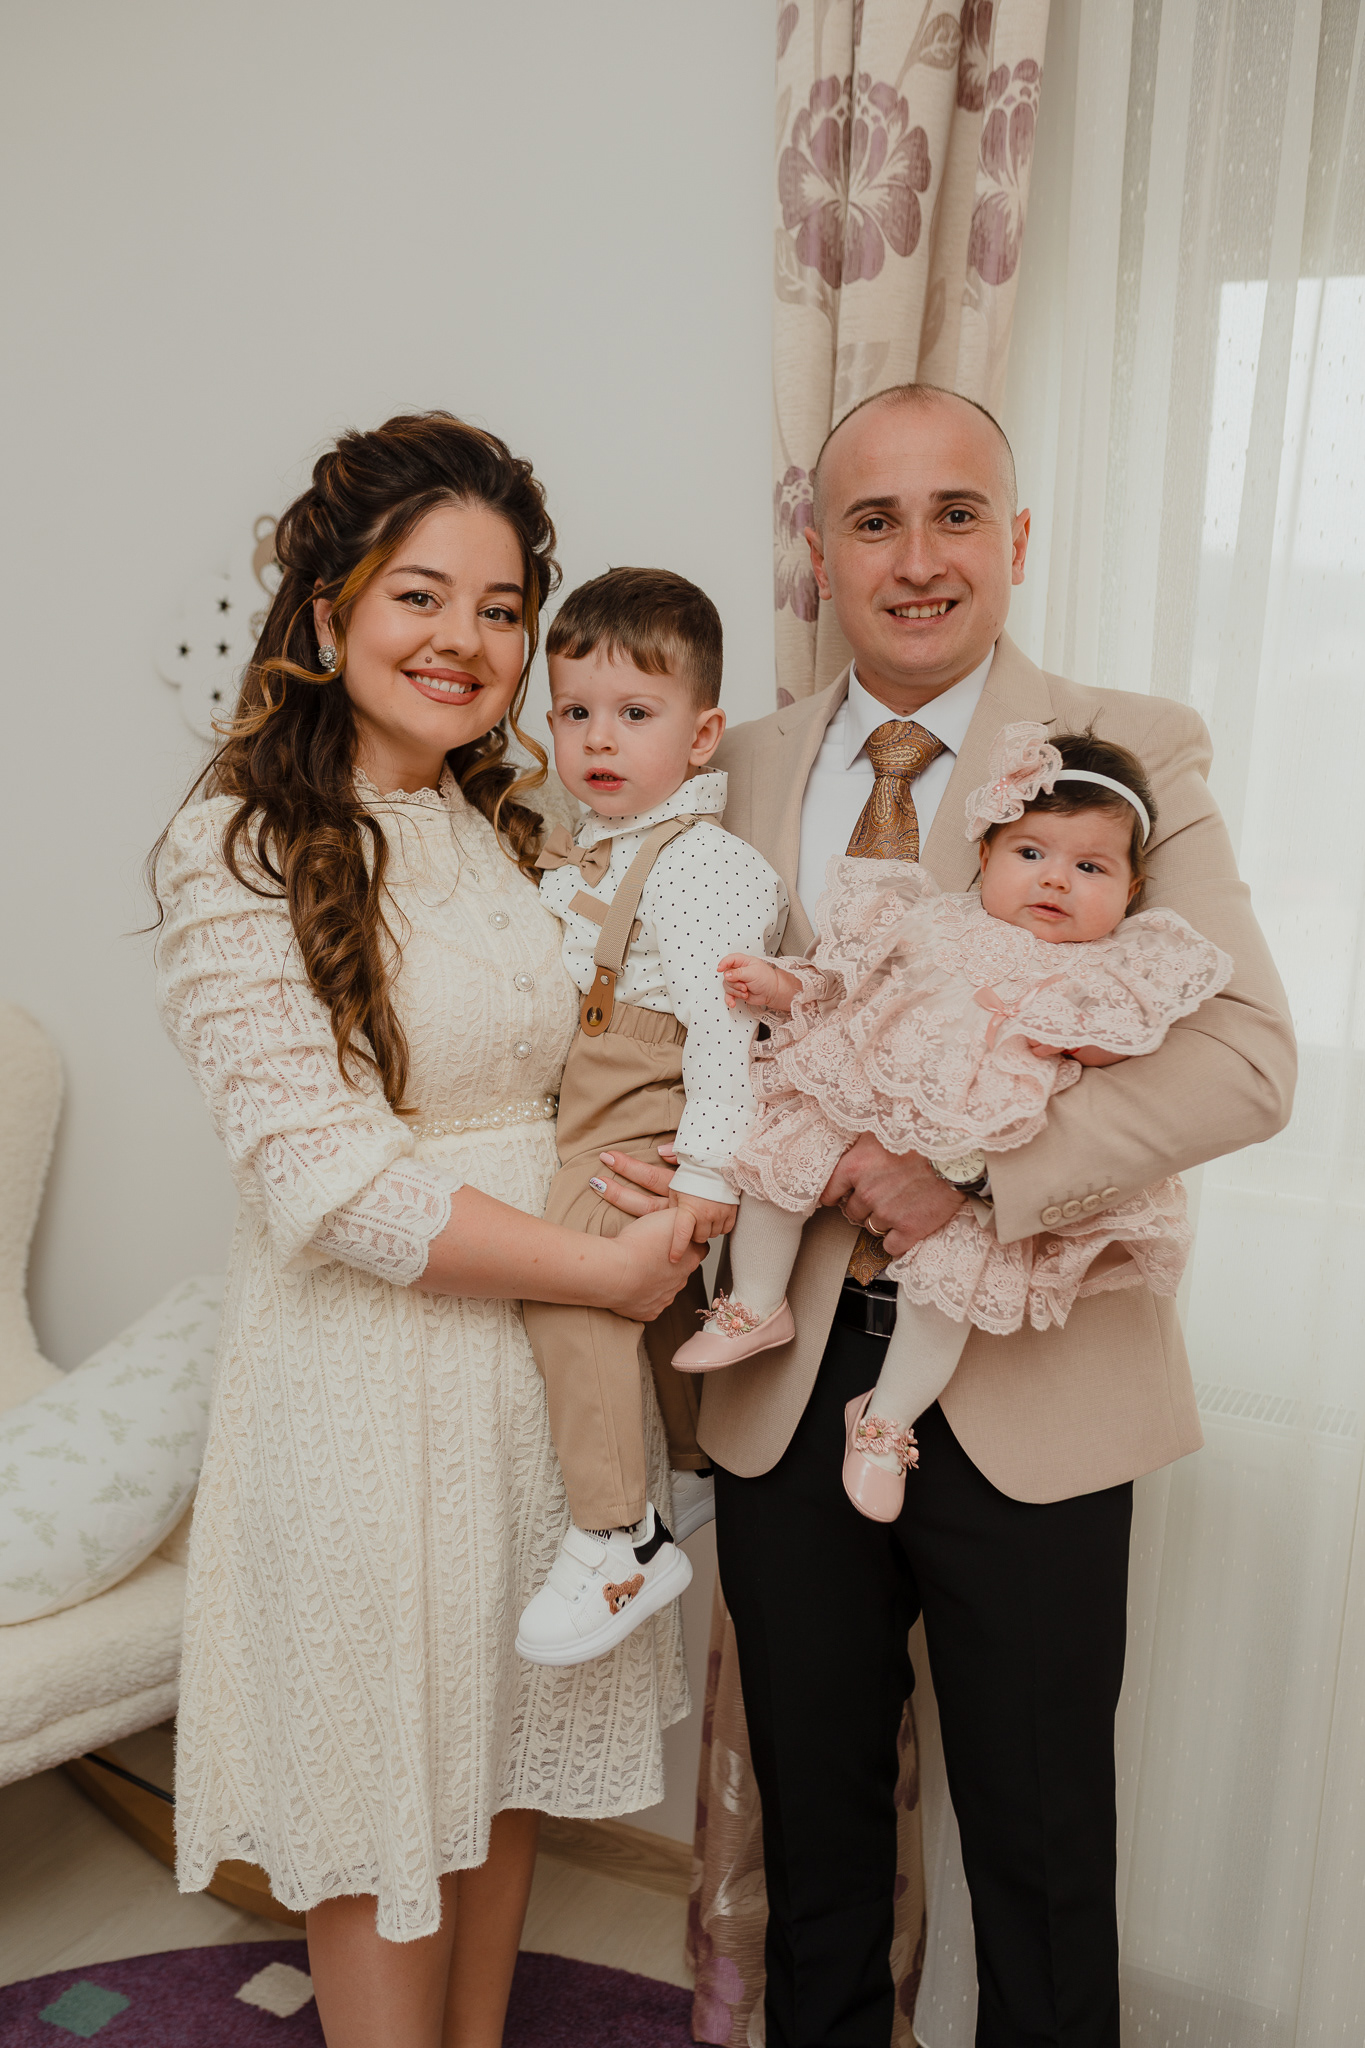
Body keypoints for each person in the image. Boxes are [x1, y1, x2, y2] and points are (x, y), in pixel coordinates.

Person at [594, 384, 1296, 2045]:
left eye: (957, 514)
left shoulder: (1132, 749)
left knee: (1044, 1861)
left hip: (1030, 1377)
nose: (918, 559)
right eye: (875, 520)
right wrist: (637, 1162)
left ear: (1016, 536)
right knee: (817, 1850)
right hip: (781, 1384)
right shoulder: (729, 759)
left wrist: (969, 1170)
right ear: (819, 550)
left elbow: (1246, 1061)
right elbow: (649, 1008)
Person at [152, 412, 702, 2048]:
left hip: (523, 1388)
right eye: (421, 595)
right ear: (328, 614)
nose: (466, 638)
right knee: (383, 1800)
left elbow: (572, 1077)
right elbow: (323, 1180)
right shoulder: (238, 843)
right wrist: (600, 1267)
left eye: (502, 606)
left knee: (496, 1767)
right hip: (362, 1391)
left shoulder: (504, 824)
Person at [676, 725, 1232, 1522]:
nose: (1055, 880)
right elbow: (844, 984)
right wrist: (783, 986)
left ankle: (884, 1422)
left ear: (1132, 890)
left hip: (977, 1155)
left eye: (1090, 868)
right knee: (779, 1157)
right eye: (1030, 853)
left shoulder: (1109, 969)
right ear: (984, 856)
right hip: (866, 1093)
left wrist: (1089, 1042)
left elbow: (1149, 1059)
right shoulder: (928, 919)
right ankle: (757, 1303)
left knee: (951, 1292)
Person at [518, 567, 786, 1664]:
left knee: (567, 1287)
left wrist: (709, 1171)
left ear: (702, 734)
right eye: (574, 712)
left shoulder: (701, 865)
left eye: (635, 713)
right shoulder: (599, 843)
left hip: (645, 1108)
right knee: (658, 1305)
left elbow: (728, 1030)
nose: (599, 738)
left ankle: (616, 1536)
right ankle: (690, 1465)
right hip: (594, 1093)